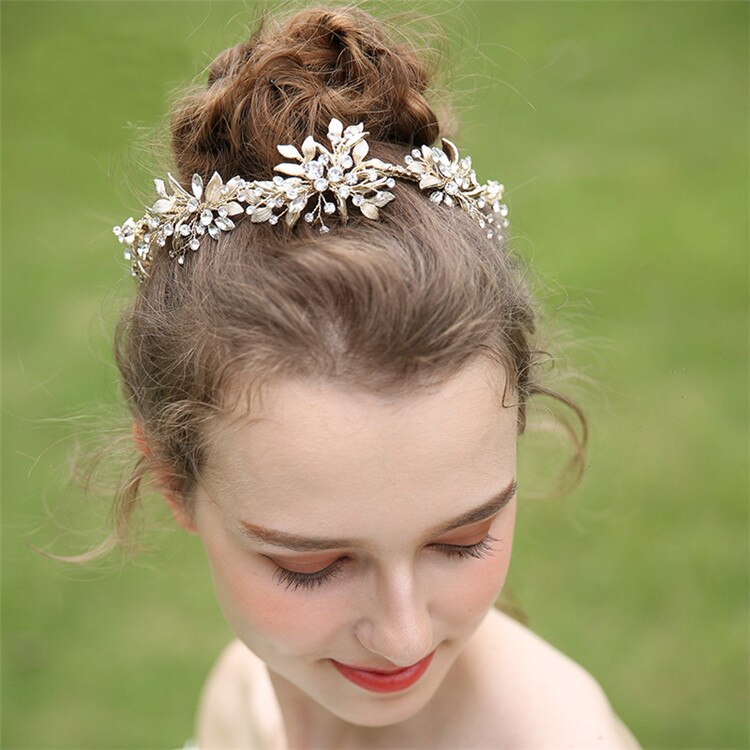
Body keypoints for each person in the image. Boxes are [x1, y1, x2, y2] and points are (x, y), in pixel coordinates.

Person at [110, 5, 641, 748]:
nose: (402, 636)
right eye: (314, 565)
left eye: (465, 540)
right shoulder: (248, 697)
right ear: (172, 477)